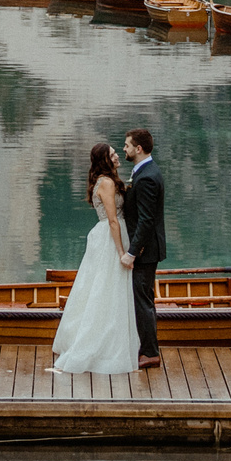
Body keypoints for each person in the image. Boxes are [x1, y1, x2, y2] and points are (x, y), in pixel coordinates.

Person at [51, 143, 140, 376]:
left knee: (99, 287)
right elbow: (112, 220)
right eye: (112, 154)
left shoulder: (105, 181)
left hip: (107, 236)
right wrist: (122, 252)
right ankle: (99, 345)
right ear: (105, 160)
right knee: (107, 289)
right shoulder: (107, 183)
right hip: (111, 238)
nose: (117, 155)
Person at [121, 129, 165, 369]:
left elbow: (147, 220)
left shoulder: (147, 177)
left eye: (127, 145)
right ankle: (149, 348)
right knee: (145, 298)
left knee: (143, 301)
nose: (124, 149)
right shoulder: (145, 171)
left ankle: (150, 353)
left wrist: (132, 252)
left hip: (146, 251)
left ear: (138, 149)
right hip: (147, 249)